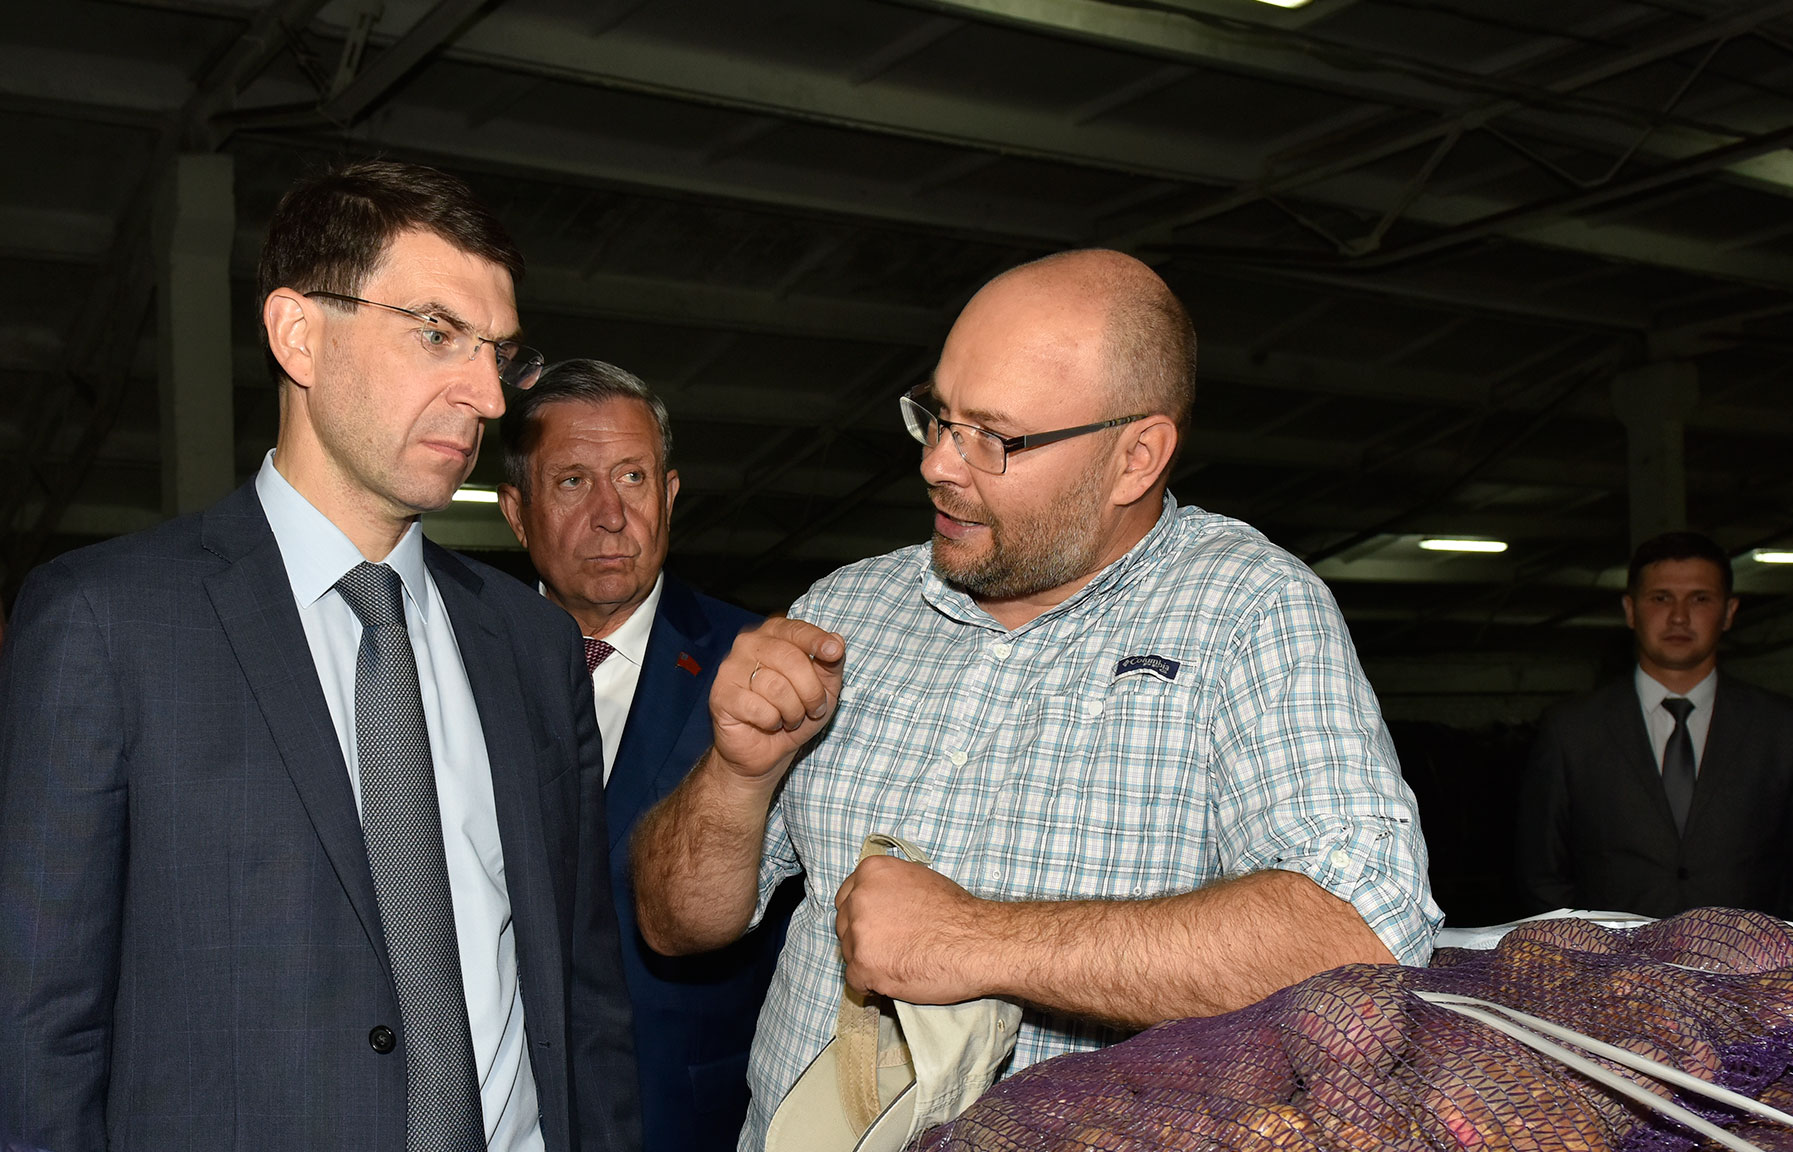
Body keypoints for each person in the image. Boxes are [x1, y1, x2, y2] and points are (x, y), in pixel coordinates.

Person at [633, 249, 1443, 1150]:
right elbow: (674, 928)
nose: (937, 463)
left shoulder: (1248, 610)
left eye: (994, 437)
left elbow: (1362, 934)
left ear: (1136, 457)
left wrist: (975, 940)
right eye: (937, 416)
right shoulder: (845, 608)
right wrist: (738, 774)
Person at [0, 160, 640, 1152]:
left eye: (499, 353)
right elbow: (38, 1037)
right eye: (438, 333)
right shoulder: (108, 624)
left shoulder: (532, 645)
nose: (487, 395)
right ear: (299, 334)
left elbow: (585, 1001)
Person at [497, 361, 793, 1152]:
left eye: (632, 478)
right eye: (572, 482)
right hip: (494, 1107)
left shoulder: (757, 666)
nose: (610, 515)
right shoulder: (451, 663)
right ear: (517, 513)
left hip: (686, 1116)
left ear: (668, 494)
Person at [1516, 531, 1793, 922]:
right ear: (1630, 610)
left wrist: (1782, 956)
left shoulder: (1791, 731)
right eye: (1661, 598)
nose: (1679, 616)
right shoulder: (1571, 730)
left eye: (1700, 599)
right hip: (1610, 960)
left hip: (1755, 960)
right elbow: (1540, 875)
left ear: (1729, 612)